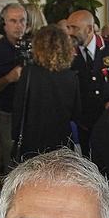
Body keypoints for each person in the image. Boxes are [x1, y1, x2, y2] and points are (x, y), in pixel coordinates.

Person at [12, 22, 82, 163]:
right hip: (61, 140)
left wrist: (15, 136)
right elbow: (76, 113)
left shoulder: (29, 73)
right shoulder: (71, 76)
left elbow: (18, 109)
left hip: (32, 140)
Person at [65, 5, 109, 149]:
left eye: (75, 28)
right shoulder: (67, 53)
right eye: (68, 28)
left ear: (90, 29)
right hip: (85, 122)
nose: (70, 33)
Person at [0, 2, 32, 160]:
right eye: (13, 21)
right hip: (8, 113)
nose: (19, 25)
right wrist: (8, 79)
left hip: (33, 113)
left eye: (22, 20)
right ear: (3, 24)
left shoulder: (35, 46)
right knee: (12, 159)